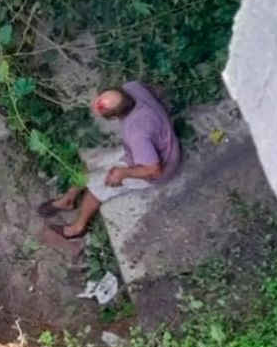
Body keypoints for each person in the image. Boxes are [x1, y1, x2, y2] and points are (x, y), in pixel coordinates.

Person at [37, 81, 181, 238]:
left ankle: (77, 228)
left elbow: (154, 170)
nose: (95, 104)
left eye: (100, 108)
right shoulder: (132, 88)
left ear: (114, 116)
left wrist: (123, 172)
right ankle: (68, 199)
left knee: (98, 187)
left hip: (160, 166)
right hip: (146, 147)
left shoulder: (137, 134)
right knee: (89, 164)